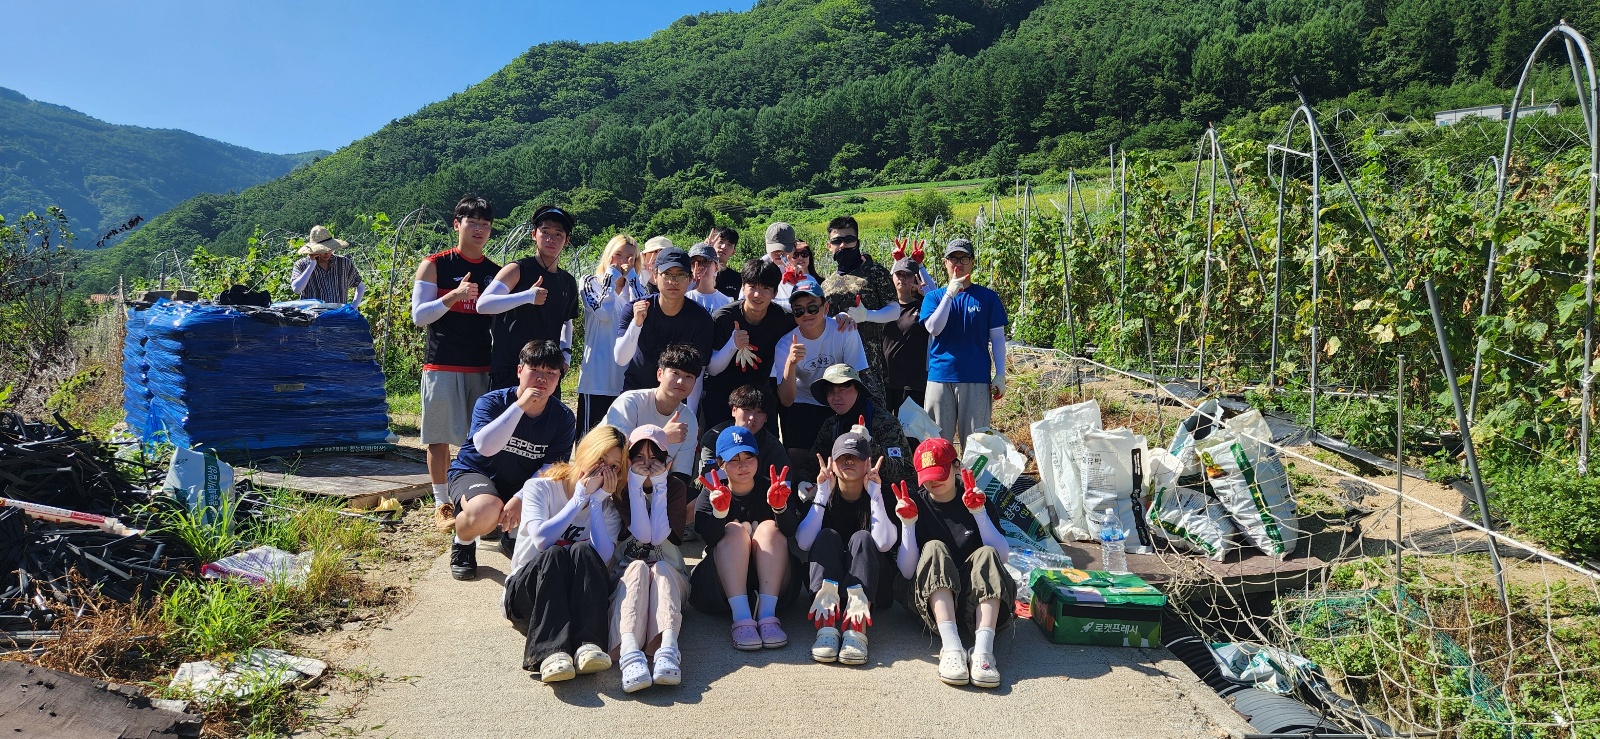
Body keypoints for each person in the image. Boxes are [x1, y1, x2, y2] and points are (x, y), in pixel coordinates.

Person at [502, 425, 624, 683]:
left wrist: (594, 503)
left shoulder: (608, 510)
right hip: (529, 596)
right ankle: (549, 652)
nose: (604, 471)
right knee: (556, 553)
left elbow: (601, 559)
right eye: (601, 460)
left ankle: (587, 645)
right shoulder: (540, 488)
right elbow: (542, 540)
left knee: (583, 550)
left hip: (574, 603)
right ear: (585, 453)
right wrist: (578, 498)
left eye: (614, 467)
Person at [446, 340, 576, 580]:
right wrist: (521, 406)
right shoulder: (491, 402)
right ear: (519, 371)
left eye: (550, 373)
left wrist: (519, 498)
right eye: (534, 370)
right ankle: (462, 543)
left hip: (520, 482)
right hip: (476, 472)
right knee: (485, 510)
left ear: (559, 378)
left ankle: (511, 536)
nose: (542, 379)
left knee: (553, 503)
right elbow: (485, 447)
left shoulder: (563, 417)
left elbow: (552, 469)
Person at [891, 437, 1014, 689]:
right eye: (927, 476)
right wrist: (908, 524)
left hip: (976, 602)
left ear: (956, 466)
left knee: (987, 553)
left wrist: (979, 513)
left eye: (940, 473)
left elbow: (1002, 557)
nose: (934, 482)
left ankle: (983, 652)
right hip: (933, 605)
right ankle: (952, 648)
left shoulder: (975, 499)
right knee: (934, 547)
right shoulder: (916, 504)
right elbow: (905, 571)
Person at [411, 195, 502, 532]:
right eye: (472, 222)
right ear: (457, 224)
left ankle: (469, 497)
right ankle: (441, 503)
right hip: (442, 363)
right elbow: (419, 316)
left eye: (485, 224)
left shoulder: (494, 272)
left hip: (481, 364)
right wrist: (453, 296)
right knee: (438, 437)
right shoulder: (435, 264)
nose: (479, 229)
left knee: (477, 438)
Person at [690, 426, 802, 650]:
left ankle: (767, 617)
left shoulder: (772, 488)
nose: (743, 465)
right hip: (722, 585)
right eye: (734, 459)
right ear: (721, 463)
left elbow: (790, 532)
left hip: (773, 584)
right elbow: (709, 538)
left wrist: (780, 509)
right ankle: (742, 619)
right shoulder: (711, 492)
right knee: (733, 531)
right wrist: (719, 514)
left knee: (770, 528)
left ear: (758, 459)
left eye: (748, 457)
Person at [795, 431, 896, 665]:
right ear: (832, 463)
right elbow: (804, 542)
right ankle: (827, 626)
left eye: (856, 458)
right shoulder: (823, 493)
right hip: (831, 584)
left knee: (863, 537)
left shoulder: (881, 493)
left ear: (868, 462)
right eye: (842, 458)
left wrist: (875, 495)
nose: (849, 462)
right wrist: (821, 493)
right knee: (827, 536)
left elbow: (883, 543)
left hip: (872, 587)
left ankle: (855, 628)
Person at [609, 425, 690, 693]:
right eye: (639, 457)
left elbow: (657, 537)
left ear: (667, 461)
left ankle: (668, 647)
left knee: (662, 568)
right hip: (626, 575)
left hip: (671, 575)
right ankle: (630, 651)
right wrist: (633, 485)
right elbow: (642, 534)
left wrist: (660, 486)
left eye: (655, 457)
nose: (647, 464)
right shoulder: (620, 488)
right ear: (628, 460)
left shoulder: (675, 487)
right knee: (638, 568)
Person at [477, 206, 581, 391]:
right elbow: (484, 305)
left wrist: (566, 354)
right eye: (545, 231)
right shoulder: (517, 269)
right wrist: (526, 296)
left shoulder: (567, 282)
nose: (551, 238)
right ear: (534, 234)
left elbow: (567, 321)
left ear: (567, 241)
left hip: (548, 371)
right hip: (510, 368)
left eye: (558, 234)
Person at [920, 238, 1008, 445]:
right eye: (953, 258)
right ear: (945, 262)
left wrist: (1001, 375)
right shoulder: (934, 297)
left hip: (976, 377)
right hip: (940, 377)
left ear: (973, 262)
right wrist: (950, 294)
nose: (958, 263)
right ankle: (942, 478)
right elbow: (934, 328)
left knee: (977, 444)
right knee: (937, 443)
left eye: (964, 258)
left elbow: (997, 339)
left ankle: (972, 479)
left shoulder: (987, 298)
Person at [774, 283, 869, 456]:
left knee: (847, 457)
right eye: (799, 310)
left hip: (838, 401)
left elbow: (856, 381)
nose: (807, 314)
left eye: (812, 308)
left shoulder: (845, 330)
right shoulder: (785, 345)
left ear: (825, 307)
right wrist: (791, 363)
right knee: (796, 460)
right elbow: (786, 401)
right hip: (804, 403)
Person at [613, 247, 715, 407]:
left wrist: (691, 414)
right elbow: (620, 359)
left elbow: (698, 373)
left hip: (676, 403)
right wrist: (637, 324)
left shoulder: (701, 319)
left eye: (680, 275)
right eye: (667, 274)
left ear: (690, 279)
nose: (673, 281)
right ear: (655, 275)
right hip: (636, 396)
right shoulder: (635, 309)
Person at [703, 260, 795, 430]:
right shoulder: (723, 318)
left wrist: (842, 317)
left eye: (766, 288)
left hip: (760, 395)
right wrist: (732, 344)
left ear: (775, 292)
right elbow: (712, 369)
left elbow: (813, 321)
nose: (757, 295)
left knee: (765, 449)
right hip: (722, 394)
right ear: (743, 287)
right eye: (752, 286)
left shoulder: (783, 319)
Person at [800, 364, 914, 493]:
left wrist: (869, 444)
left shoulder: (884, 422)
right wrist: (804, 482)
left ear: (858, 390)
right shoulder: (831, 425)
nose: (836, 397)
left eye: (842, 390)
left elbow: (899, 473)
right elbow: (813, 462)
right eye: (830, 392)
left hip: (886, 493)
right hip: (846, 493)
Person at [576, 234, 647, 433]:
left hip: (626, 380)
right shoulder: (590, 282)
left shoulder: (637, 289)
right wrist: (611, 277)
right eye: (617, 255)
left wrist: (633, 279)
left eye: (630, 257)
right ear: (608, 256)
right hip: (596, 380)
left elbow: (644, 315)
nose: (623, 261)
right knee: (588, 442)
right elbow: (603, 312)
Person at [822, 216, 895, 407]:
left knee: (873, 419)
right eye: (837, 241)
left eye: (849, 239)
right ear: (829, 245)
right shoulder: (826, 285)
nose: (843, 245)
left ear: (858, 242)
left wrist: (867, 315)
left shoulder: (875, 272)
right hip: (835, 368)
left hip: (869, 365)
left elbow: (894, 309)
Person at [603, 344, 701, 479]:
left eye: (688, 376)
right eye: (675, 373)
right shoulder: (630, 402)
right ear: (660, 374)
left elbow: (681, 474)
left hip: (654, 489)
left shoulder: (688, 419)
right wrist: (661, 437)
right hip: (609, 479)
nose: (681, 381)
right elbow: (613, 453)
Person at [697, 384, 790, 487]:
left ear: (766, 418)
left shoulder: (773, 446)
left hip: (759, 499)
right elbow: (709, 479)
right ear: (734, 410)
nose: (751, 418)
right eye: (746, 410)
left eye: (759, 412)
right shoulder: (713, 438)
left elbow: (784, 483)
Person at [882, 257, 931, 415]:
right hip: (886, 381)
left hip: (913, 383)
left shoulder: (923, 307)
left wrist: (926, 294)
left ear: (915, 278)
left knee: (911, 435)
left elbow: (941, 314)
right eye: (899, 274)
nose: (902, 278)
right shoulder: (883, 307)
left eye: (908, 275)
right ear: (892, 277)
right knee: (885, 433)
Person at [290, 225, 364, 305]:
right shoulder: (301, 265)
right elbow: (297, 289)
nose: (327, 253)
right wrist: (312, 264)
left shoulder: (344, 263)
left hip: (339, 315)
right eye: (322, 250)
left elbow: (360, 286)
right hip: (313, 316)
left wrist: (353, 307)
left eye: (330, 249)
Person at [687, 242, 733, 315]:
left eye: (706, 261)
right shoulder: (683, 296)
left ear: (716, 267)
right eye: (694, 262)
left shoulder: (726, 302)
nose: (700, 266)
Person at [707, 226, 743, 298]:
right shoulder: (700, 273)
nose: (723, 247)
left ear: (733, 251)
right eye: (721, 242)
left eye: (729, 245)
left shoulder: (738, 279)